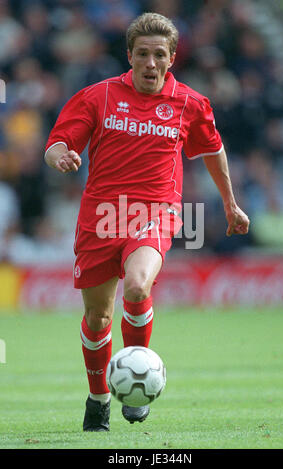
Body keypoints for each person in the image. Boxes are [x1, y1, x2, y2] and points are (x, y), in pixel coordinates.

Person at [44, 12, 250, 432]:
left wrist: (230, 204)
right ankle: (99, 398)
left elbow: (214, 149)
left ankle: (138, 388)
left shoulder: (190, 104)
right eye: (142, 54)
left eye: (159, 54)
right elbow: (57, 143)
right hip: (100, 218)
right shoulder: (97, 96)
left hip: (154, 212)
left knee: (138, 286)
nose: (150, 63)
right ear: (130, 56)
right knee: (98, 318)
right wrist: (61, 157)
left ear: (172, 57)